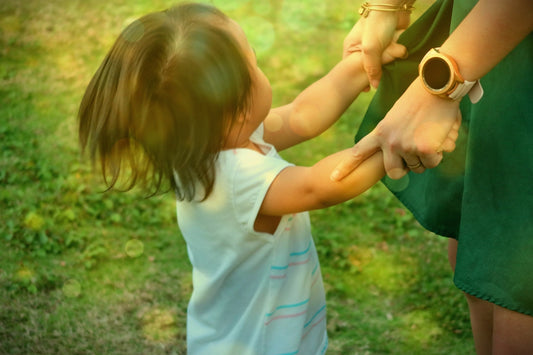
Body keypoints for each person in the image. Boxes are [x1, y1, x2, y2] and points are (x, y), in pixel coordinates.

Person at [78, 2, 407, 354]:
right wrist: (395, 139)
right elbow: (319, 187)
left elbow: (302, 115)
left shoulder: (203, 146)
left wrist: (360, 65)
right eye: (254, 63)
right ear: (235, 109)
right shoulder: (237, 176)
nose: (259, 67)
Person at [332, 0, 533, 354]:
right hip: (480, 26)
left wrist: (441, 84)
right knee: (481, 262)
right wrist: (387, 6)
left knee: (517, 287)